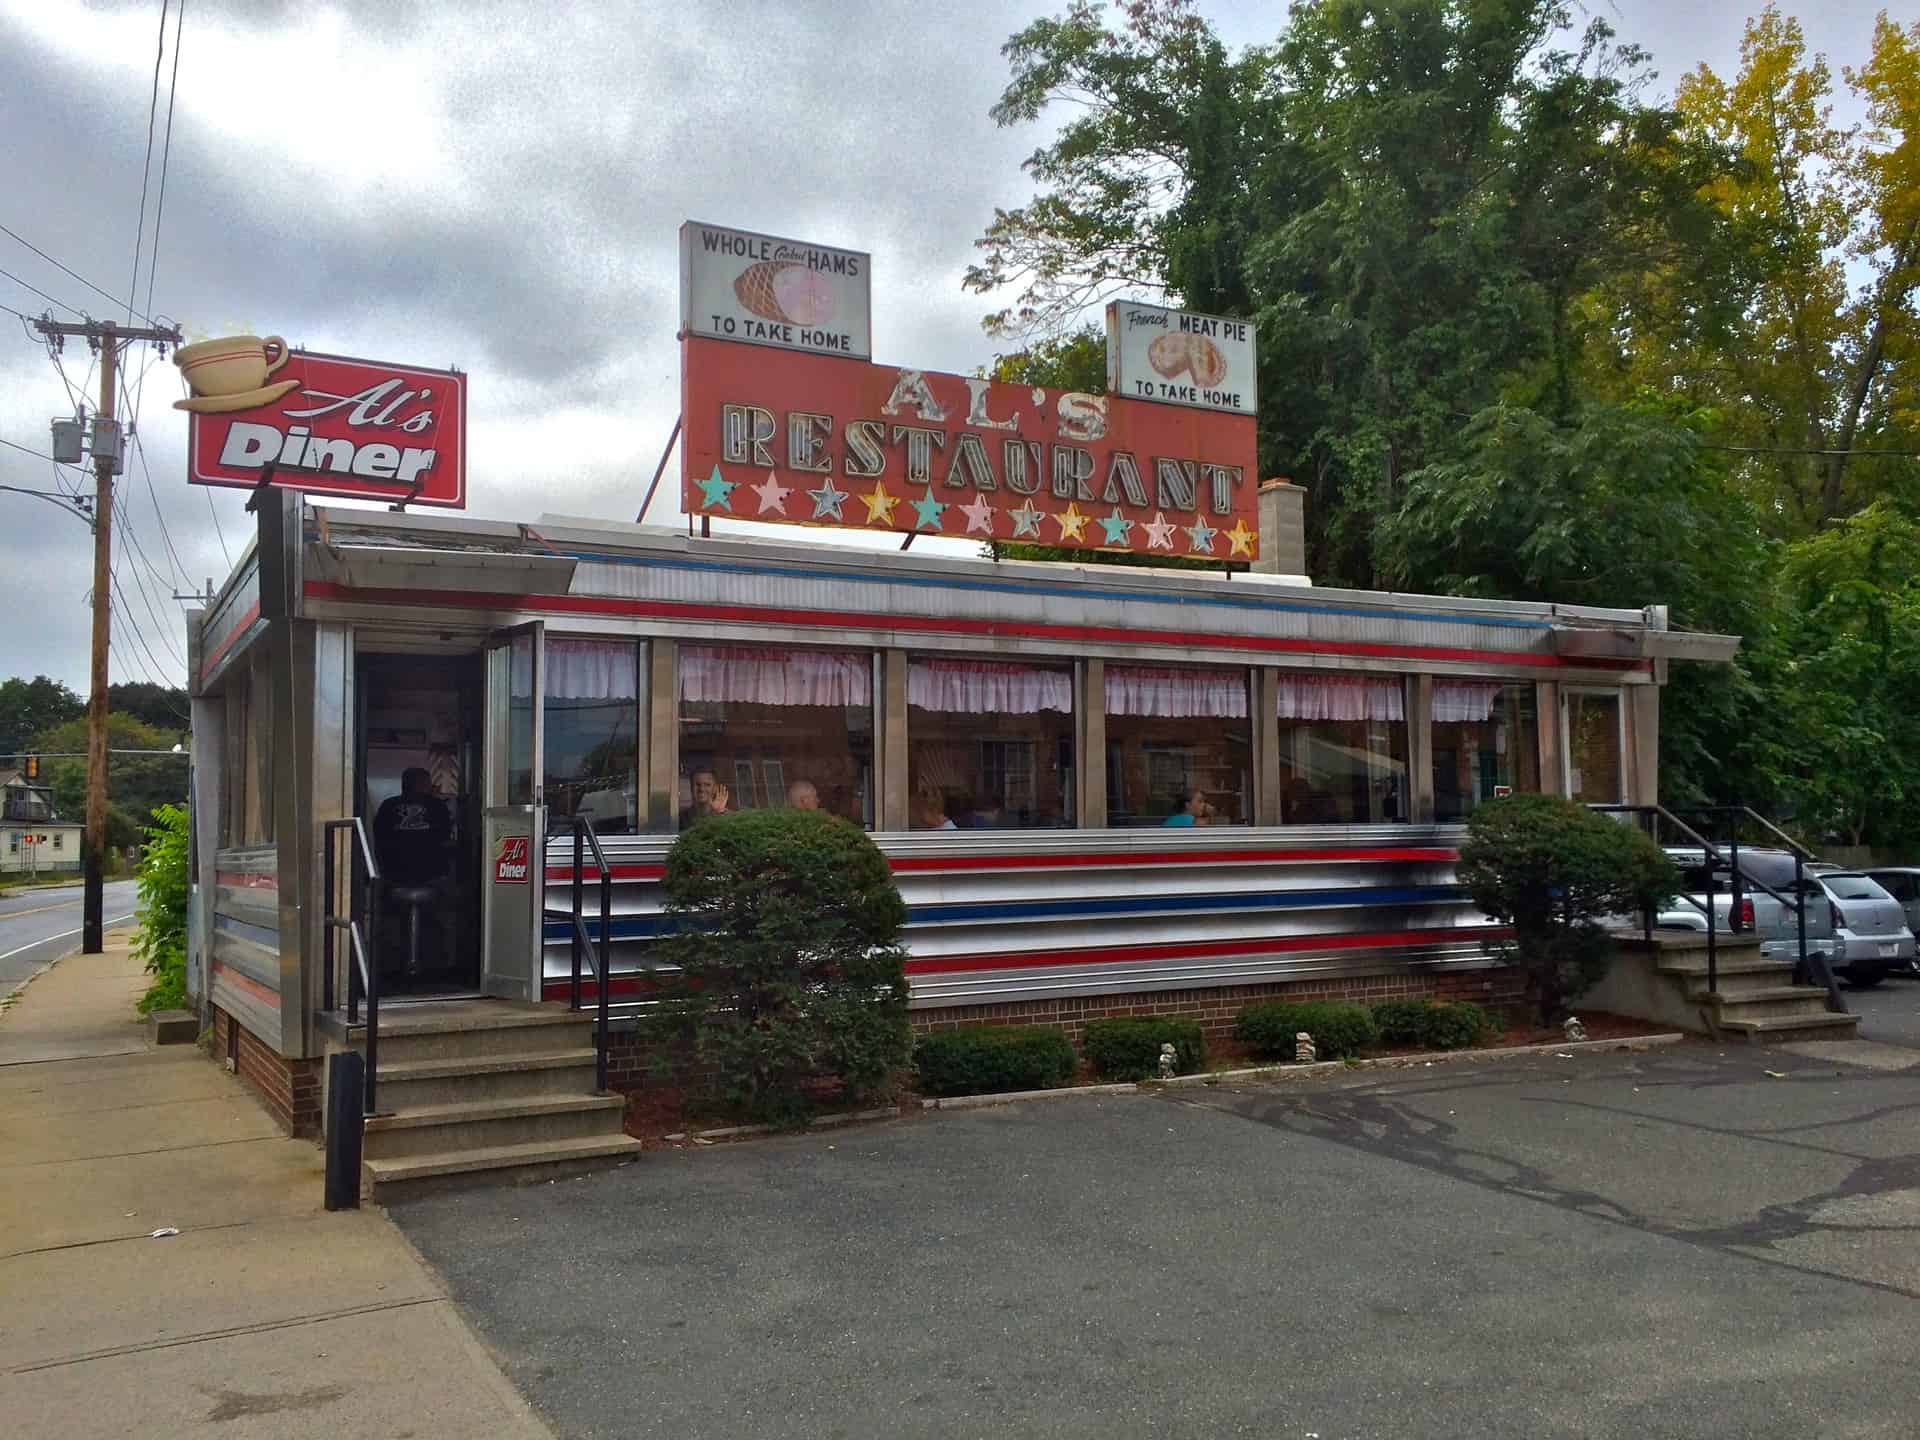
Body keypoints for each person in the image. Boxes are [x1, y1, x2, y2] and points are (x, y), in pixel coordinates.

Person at [373, 767, 453, 883]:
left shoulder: (388, 804)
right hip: (431, 870)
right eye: (427, 782)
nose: (430, 785)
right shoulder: (437, 805)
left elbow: (379, 836)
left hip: (395, 869)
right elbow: (445, 834)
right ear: (424, 784)